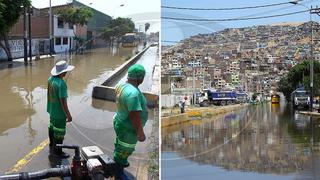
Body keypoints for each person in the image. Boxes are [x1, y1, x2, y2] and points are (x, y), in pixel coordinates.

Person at [113, 64, 148, 180]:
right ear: (140, 78)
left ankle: (119, 162)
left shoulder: (121, 86)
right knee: (125, 149)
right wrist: (140, 133)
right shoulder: (133, 94)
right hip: (128, 128)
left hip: (120, 121)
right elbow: (134, 116)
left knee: (120, 144)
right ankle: (118, 172)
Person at [47, 60, 74, 158]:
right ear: (63, 72)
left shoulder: (50, 79)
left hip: (51, 110)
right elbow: (63, 102)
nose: (67, 73)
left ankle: (51, 144)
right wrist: (68, 115)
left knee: (52, 127)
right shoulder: (61, 84)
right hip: (59, 114)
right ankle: (58, 152)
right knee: (60, 132)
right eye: (66, 71)